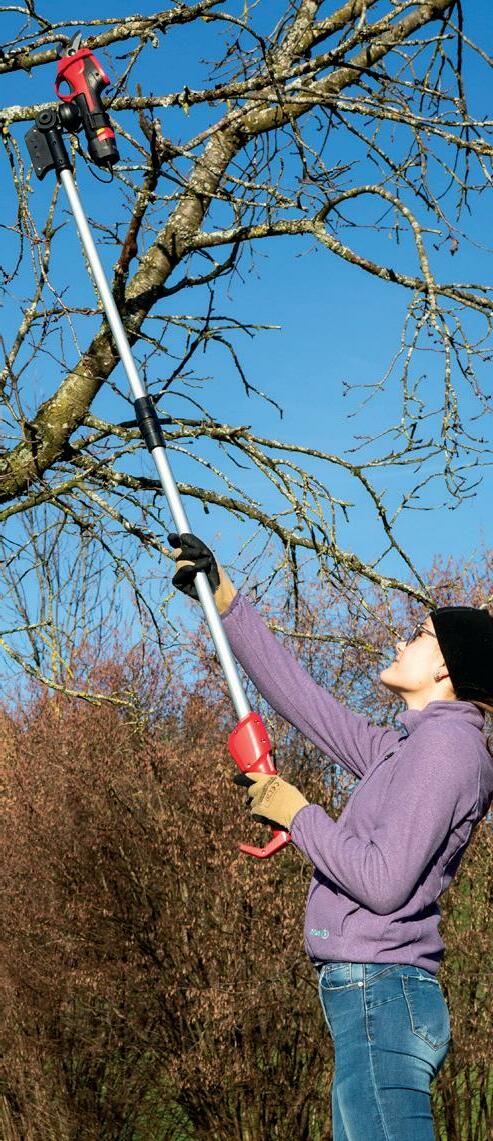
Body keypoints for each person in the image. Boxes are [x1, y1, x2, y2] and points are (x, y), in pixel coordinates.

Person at [168, 532, 493, 1141]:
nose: (401, 641)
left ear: (446, 665)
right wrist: (226, 600)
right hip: (371, 1000)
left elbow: (383, 881)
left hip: (383, 997)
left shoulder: (447, 749)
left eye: (419, 634)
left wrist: (299, 814)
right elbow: (304, 701)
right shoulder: (406, 748)